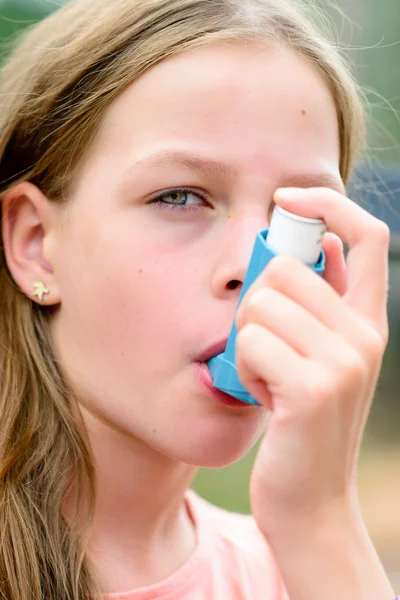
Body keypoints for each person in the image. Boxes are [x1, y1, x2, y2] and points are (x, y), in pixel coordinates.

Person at [0, 0, 396, 598]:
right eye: (180, 197)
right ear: (35, 244)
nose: (252, 267)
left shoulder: (308, 568)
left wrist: (320, 519)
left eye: (298, 221)